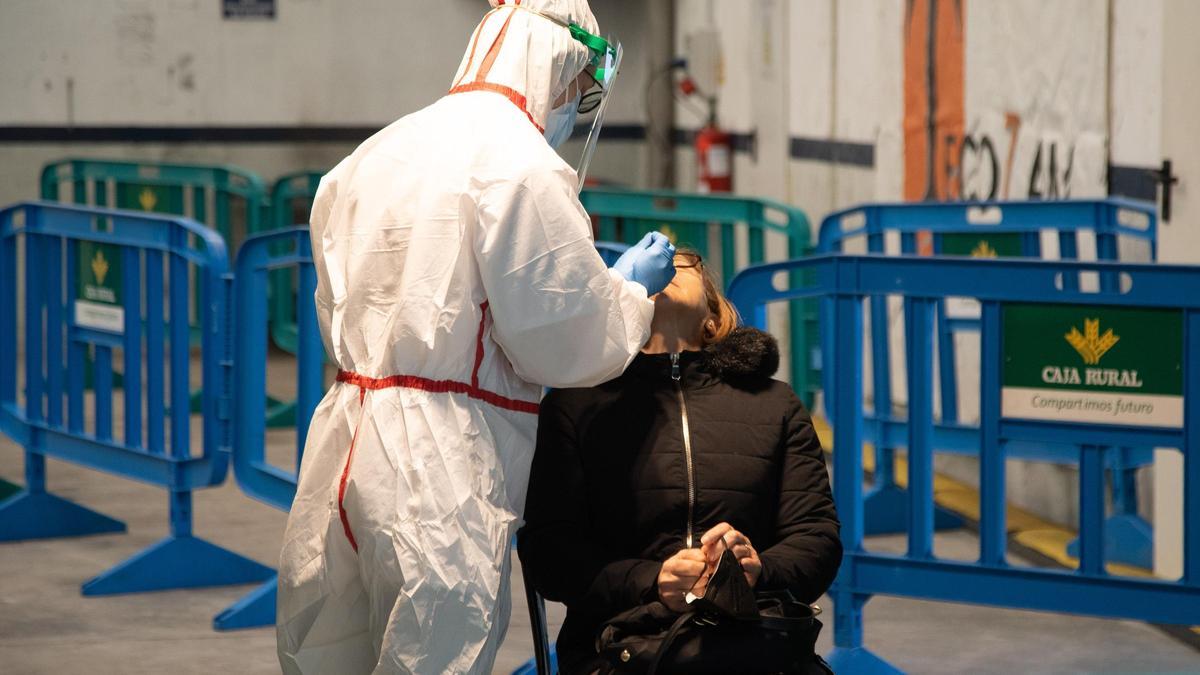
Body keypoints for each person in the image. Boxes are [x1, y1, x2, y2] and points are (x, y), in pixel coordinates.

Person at [275, 2, 676, 673]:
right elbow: (561, 338)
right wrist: (626, 292)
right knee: (438, 650)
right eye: (576, 84)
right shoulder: (521, 165)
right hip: (441, 466)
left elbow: (339, 299)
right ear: (554, 63)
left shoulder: (377, 152)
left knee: (330, 647)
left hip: (344, 440)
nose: (573, 104)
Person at [519, 251, 843, 674]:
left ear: (712, 316)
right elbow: (549, 551)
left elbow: (817, 537)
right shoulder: (576, 405)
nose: (665, 267)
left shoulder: (775, 404)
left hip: (756, 643)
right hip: (618, 646)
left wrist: (759, 569)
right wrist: (651, 582)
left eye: (682, 263)